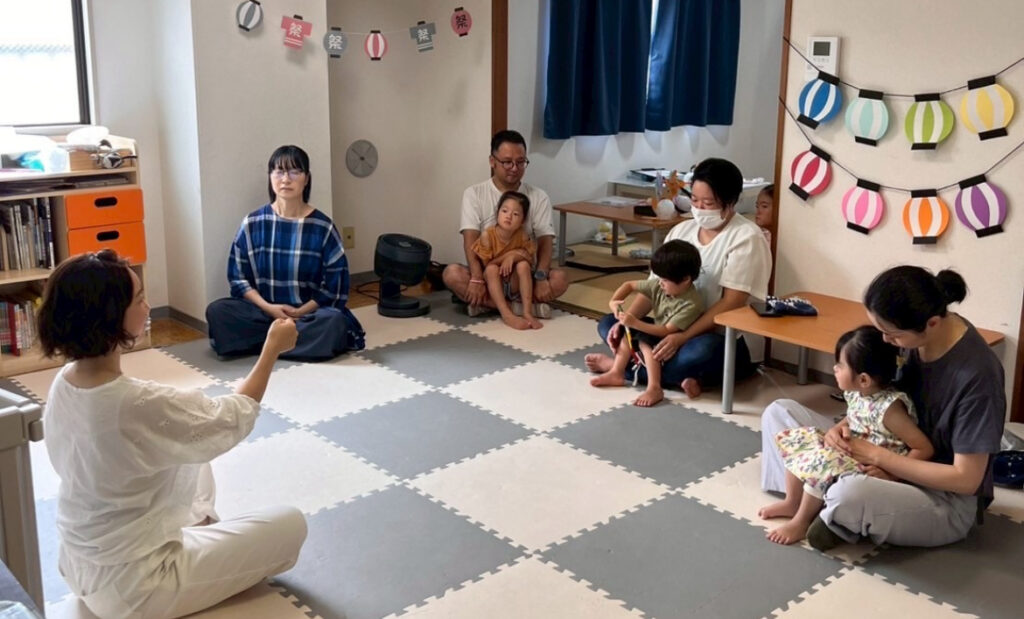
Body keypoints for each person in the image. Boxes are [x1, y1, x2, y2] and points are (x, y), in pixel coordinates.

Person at [38, 250, 307, 619]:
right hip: (139, 588)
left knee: (194, 454)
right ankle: (201, 540)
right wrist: (271, 349)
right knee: (291, 525)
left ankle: (201, 530)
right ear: (111, 317)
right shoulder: (135, 402)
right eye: (139, 299)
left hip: (77, 564)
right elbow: (233, 415)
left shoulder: (64, 381)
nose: (148, 306)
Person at [760, 266, 1005, 549]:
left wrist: (882, 460)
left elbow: (967, 480)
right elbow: (875, 404)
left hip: (941, 494)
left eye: (892, 334)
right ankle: (825, 506)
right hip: (879, 447)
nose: (886, 340)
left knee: (850, 493)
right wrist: (840, 429)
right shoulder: (913, 333)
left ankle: (833, 504)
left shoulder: (978, 376)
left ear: (932, 323)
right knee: (780, 413)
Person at [587, 158, 772, 398]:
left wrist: (682, 337)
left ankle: (622, 367)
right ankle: (674, 375)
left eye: (708, 203)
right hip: (668, 327)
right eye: (695, 200)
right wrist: (627, 321)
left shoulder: (746, 237)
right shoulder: (682, 230)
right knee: (609, 324)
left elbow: (731, 303)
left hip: (719, 337)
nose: (699, 208)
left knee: (699, 352)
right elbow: (654, 287)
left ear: (730, 202)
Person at [758, 326, 933, 545]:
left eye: (840, 365)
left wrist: (892, 474)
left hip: (870, 465)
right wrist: (835, 429)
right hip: (852, 450)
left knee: (823, 461)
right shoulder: (856, 393)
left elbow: (923, 447)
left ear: (864, 380)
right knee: (801, 440)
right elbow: (853, 417)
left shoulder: (890, 409)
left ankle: (801, 521)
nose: (834, 368)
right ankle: (793, 502)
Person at [206, 144, 365, 361]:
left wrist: (299, 312)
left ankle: (266, 345)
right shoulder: (252, 222)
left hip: (307, 316)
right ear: (270, 177)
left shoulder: (323, 227)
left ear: (306, 179)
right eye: (279, 171)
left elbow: (334, 288)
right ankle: (290, 344)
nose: (285, 179)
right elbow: (238, 278)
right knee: (217, 311)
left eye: (294, 172)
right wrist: (269, 308)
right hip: (264, 312)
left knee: (333, 322)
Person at [443, 129, 569, 318]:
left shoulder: (538, 196)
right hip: (488, 275)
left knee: (560, 279)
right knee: (452, 274)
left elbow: (545, 241)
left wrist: (541, 276)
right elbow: (470, 240)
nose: (514, 168)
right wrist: (476, 278)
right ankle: (520, 308)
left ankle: (488, 304)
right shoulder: (474, 193)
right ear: (492, 161)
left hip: (523, 276)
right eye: (507, 162)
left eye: (521, 162)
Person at [589, 240, 704, 407]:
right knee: (617, 327)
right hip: (656, 330)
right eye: (660, 278)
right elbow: (628, 285)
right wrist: (614, 302)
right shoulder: (660, 285)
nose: (660, 283)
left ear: (686, 279)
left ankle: (654, 387)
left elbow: (666, 330)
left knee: (645, 342)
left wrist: (634, 323)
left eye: (665, 280)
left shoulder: (691, 303)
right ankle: (617, 371)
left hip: (674, 341)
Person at [472, 190, 544, 330]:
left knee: (523, 265)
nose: (509, 216)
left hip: (514, 284)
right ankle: (507, 314)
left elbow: (530, 259)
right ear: (497, 213)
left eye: (515, 214)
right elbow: (488, 264)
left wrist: (513, 256)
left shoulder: (522, 235)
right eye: (504, 211)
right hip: (494, 284)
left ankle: (527, 312)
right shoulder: (488, 235)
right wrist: (509, 256)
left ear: (523, 220)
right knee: (492, 269)